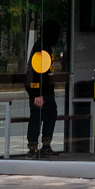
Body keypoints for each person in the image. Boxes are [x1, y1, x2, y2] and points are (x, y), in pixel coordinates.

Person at [25, 20, 61, 158]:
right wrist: (37, 94)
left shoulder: (45, 46)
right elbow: (34, 72)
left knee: (50, 115)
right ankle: (33, 148)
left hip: (46, 92)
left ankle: (46, 146)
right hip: (40, 92)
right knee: (37, 117)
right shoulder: (41, 48)